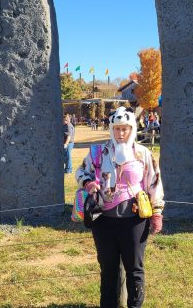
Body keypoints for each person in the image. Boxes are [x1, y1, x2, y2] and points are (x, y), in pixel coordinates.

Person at [76, 107, 164, 308]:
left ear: (132, 128)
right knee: (108, 270)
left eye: (125, 128)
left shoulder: (143, 153)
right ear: (111, 129)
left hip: (134, 222)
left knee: (135, 270)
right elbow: (81, 172)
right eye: (117, 129)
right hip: (103, 221)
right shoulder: (98, 153)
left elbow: (154, 182)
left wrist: (157, 211)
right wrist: (87, 183)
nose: (121, 133)